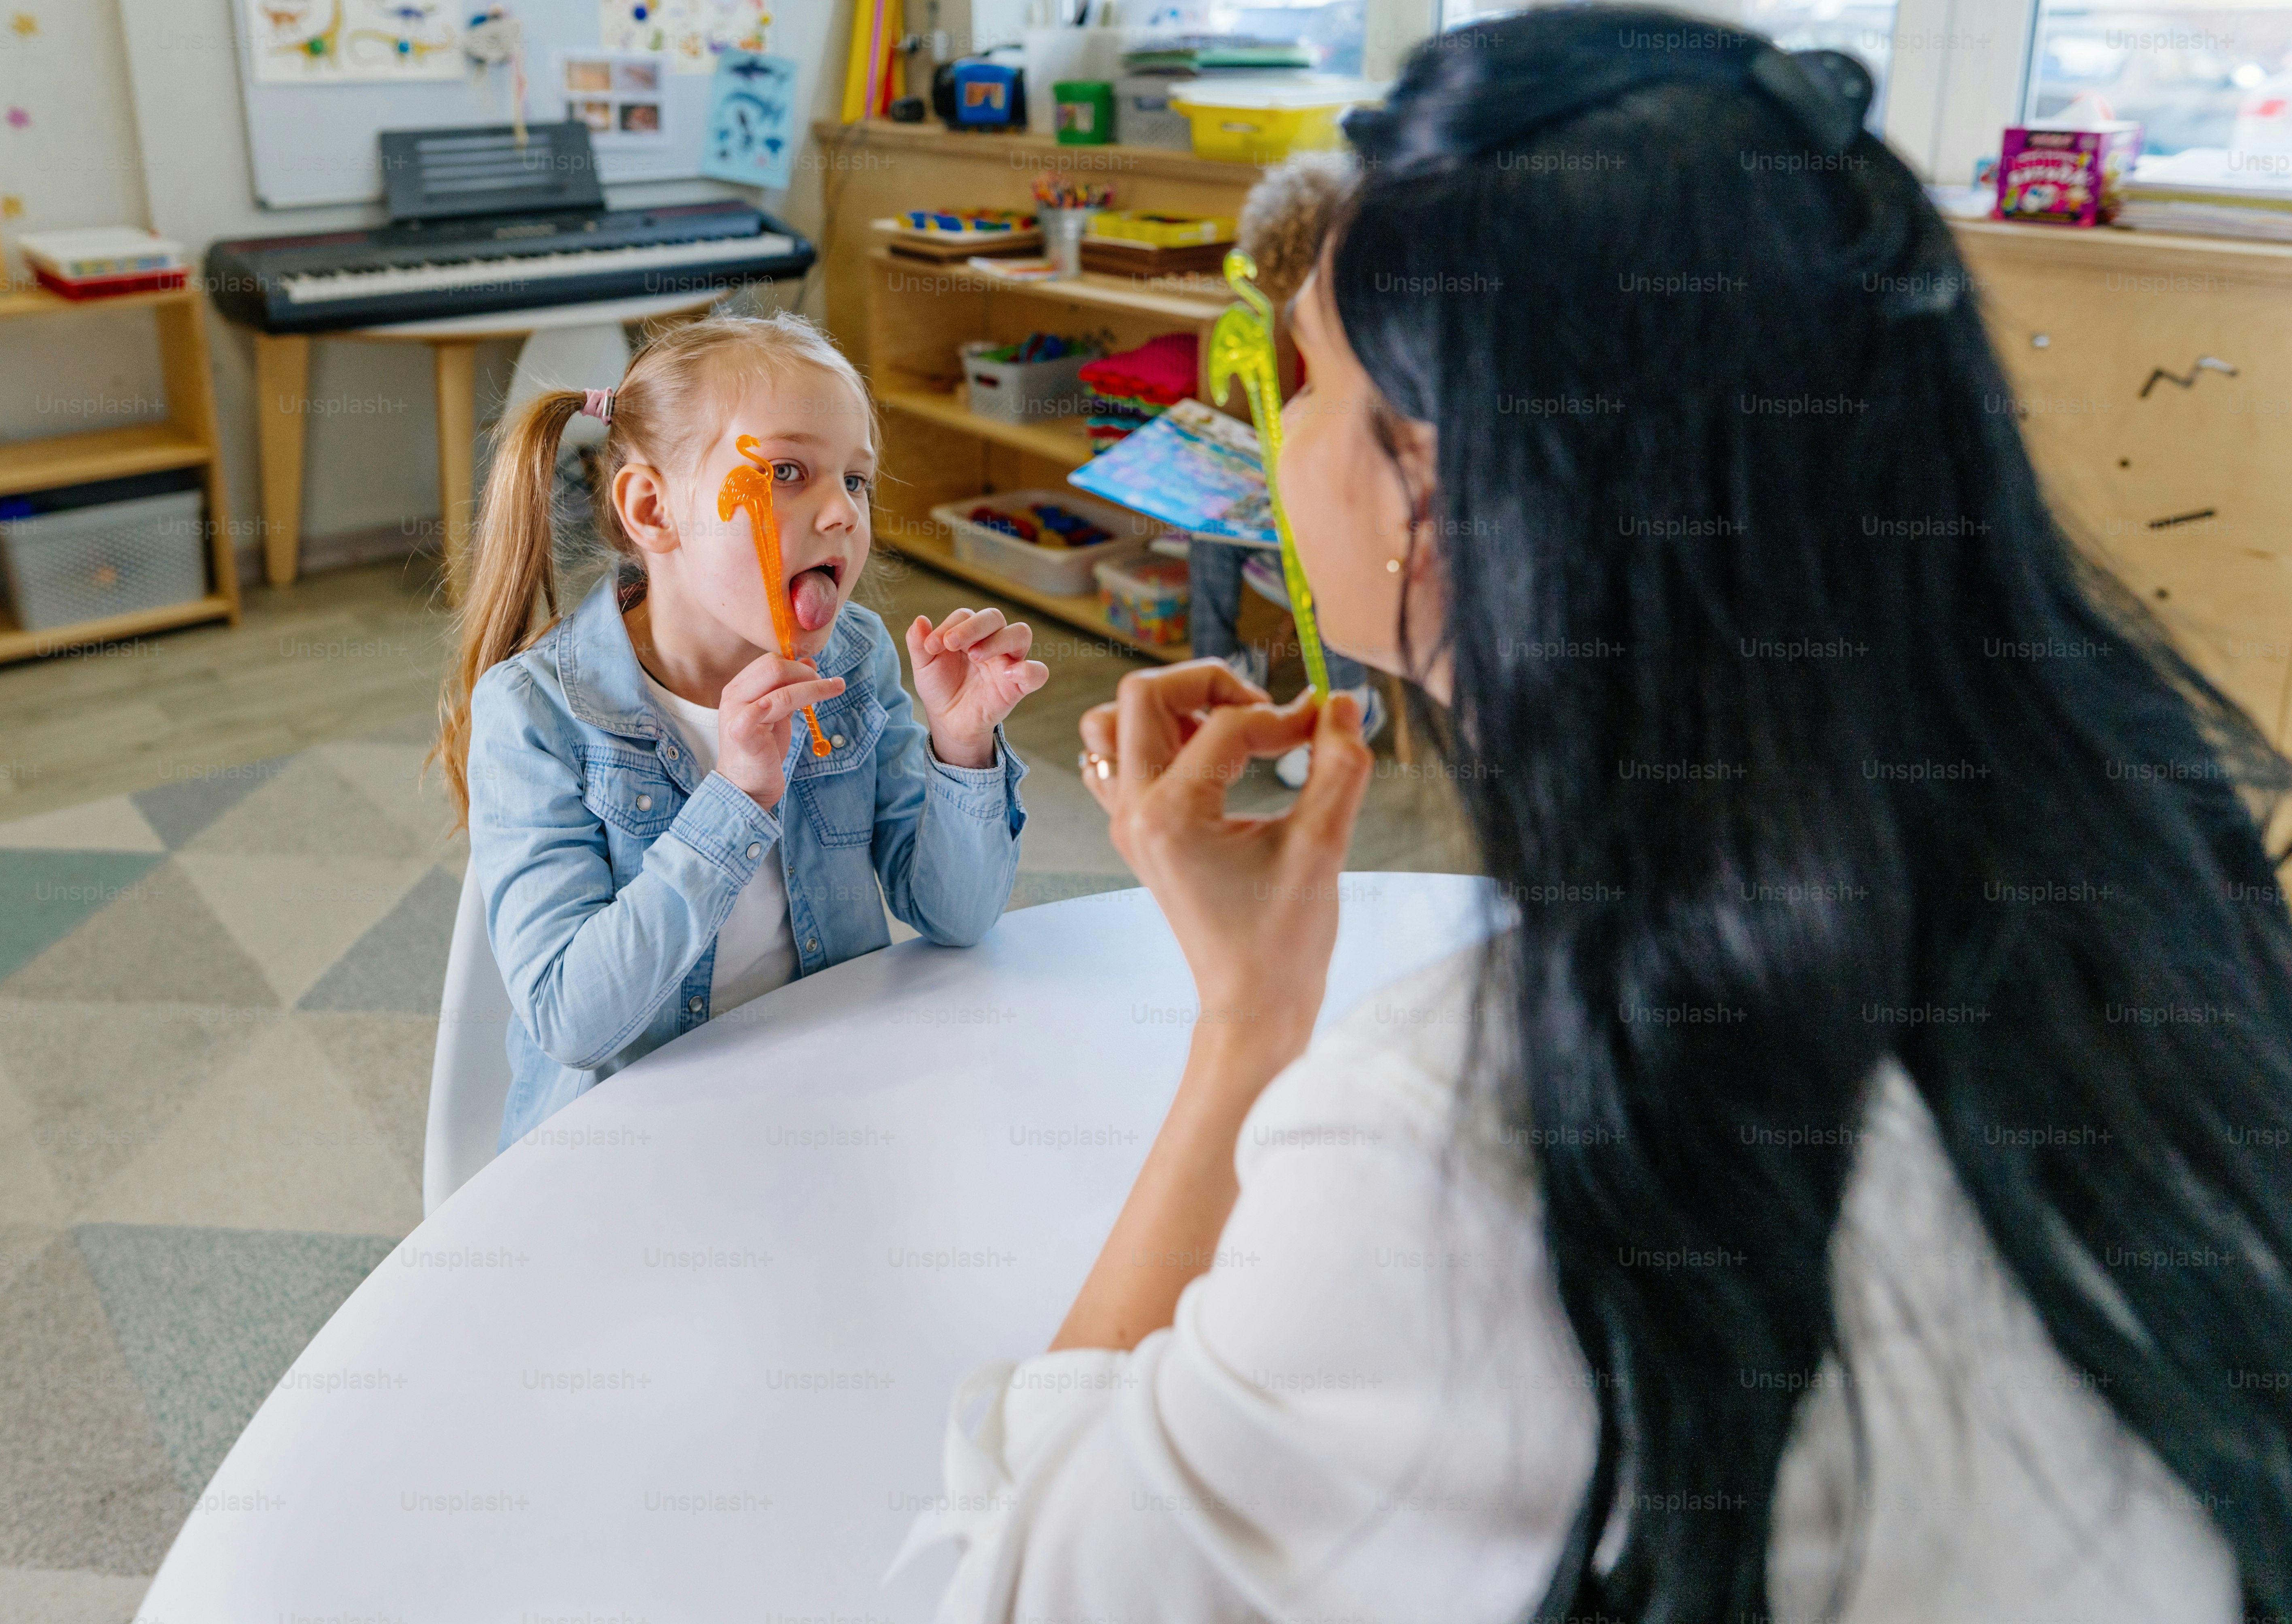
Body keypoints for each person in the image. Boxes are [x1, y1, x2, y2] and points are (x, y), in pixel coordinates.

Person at [903, 10, 2292, 1621]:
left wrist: (1246, 1033)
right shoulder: (2170, 895)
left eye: (1307, 378)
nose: (1276, 428)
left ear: (1427, 487)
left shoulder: (1466, 1136)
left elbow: (1032, 1579)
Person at [433, 312, 1048, 1151]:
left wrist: (962, 745)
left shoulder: (855, 659)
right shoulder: (537, 713)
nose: (841, 513)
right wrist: (737, 795)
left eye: (857, 481)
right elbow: (572, 1018)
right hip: (628, 1143)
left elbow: (957, 915)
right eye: (789, 470)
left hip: (821, 1100)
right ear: (654, 509)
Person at [1185, 151, 1385, 789]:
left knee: (1328, 548)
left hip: (1367, 518)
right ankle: (1225, 665)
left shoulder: (1380, 324)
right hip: (1302, 488)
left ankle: (1351, 703)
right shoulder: (1309, 314)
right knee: (1211, 519)